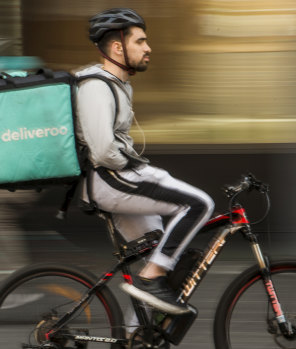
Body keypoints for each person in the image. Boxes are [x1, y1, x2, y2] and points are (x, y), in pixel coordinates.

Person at [74, 8, 215, 315]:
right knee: (199, 204)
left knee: (158, 258)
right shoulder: (96, 86)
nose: (148, 48)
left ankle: (138, 336)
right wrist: (139, 169)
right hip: (110, 179)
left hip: (115, 178)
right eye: (140, 41)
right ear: (117, 47)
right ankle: (151, 278)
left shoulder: (117, 85)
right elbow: (102, 151)